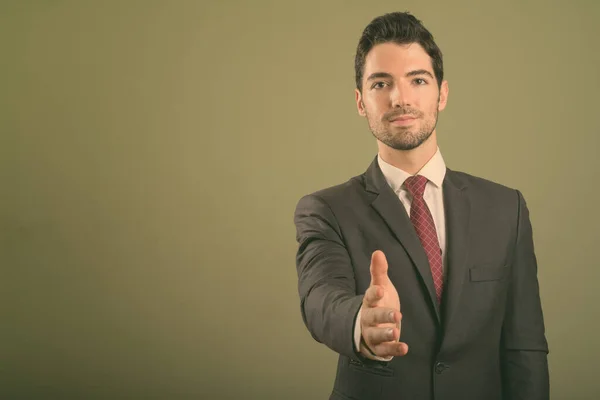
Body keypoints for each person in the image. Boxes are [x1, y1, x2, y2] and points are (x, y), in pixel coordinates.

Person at [293, 11, 549, 400]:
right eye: (382, 83)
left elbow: (524, 347)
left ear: (442, 94)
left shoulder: (506, 208)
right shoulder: (326, 210)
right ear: (361, 102)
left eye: (418, 79)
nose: (401, 98)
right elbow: (319, 298)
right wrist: (362, 322)